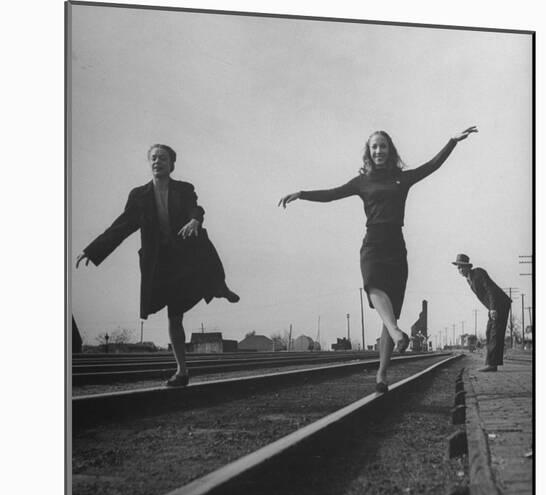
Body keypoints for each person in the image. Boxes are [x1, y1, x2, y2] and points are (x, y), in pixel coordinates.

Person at [279, 127, 477, 393]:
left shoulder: (402, 178)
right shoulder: (362, 182)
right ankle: (397, 334)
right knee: (372, 286)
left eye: (383, 146)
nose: (378, 151)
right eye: (374, 147)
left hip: (396, 247)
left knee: (390, 314)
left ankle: (382, 375)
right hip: (372, 245)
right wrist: (302, 194)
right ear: (368, 152)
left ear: (389, 150)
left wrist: (452, 141)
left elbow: (432, 166)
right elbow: (332, 193)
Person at [76, 144, 239, 387]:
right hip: (161, 265)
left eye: (162, 158)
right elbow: (121, 227)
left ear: (171, 164)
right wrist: (93, 249)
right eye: (153, 158)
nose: (157, 161)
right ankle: (182, 372)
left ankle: (219, 287)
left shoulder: (184, 189)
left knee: (205, 259)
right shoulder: (139, 196)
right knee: (174, 317)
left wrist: (194, 220)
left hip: (187, 258)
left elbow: (196, 207)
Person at [452, 253, 511, 372]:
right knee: (489, 332)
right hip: (493, 306)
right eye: (458, 267)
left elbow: (490, 290)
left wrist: (493, 308)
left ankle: (492, 365)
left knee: (495, 332)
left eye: (461, 267)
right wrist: (491, 308)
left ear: (468, 266)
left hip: (500, 304)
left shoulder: (478, 273)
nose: (459, 270)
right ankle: (492, 363)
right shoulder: (469, 280)